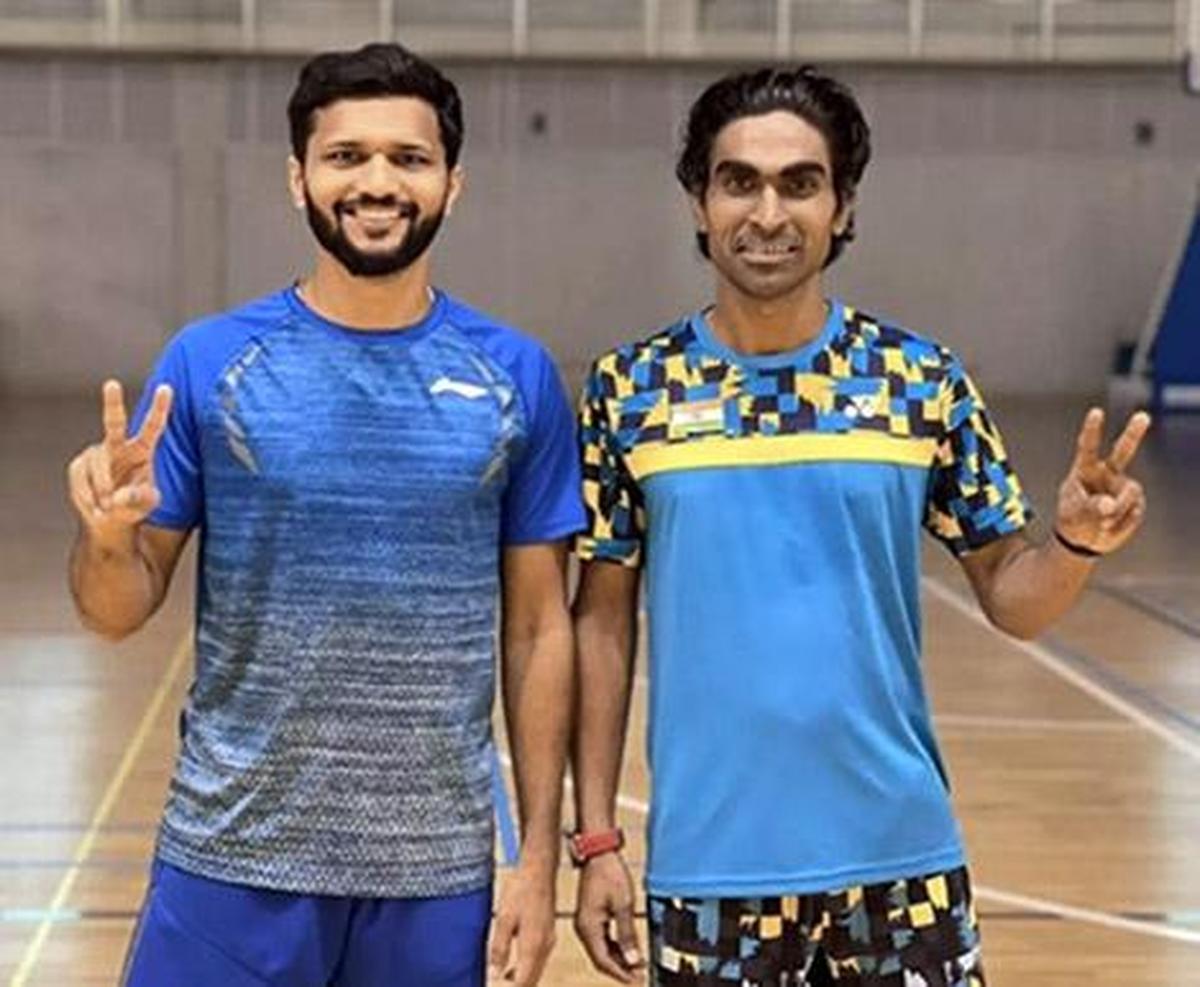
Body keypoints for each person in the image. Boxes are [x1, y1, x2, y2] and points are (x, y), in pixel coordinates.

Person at [569, 66, 1149, 986]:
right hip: (711, 874)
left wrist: (1074, 542)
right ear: (698, 200)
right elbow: (598, 624)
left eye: (801, 182)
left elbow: (1013, 595)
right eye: (739, 181)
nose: (768, 211)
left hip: (903, 869)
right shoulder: (629, 391)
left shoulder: (919, 380)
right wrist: (597, 836)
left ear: (842, 207)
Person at [65, 42, 582, 987]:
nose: (377, 182)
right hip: (230, 858)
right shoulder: (208, 363)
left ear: (452, 184)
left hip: (437, 875)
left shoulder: (515, 377)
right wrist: (108, 538)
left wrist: (538, 858)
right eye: (346, 156)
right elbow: (114, 608)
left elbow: (542, 629)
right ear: (297, 178)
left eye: (408, 158)